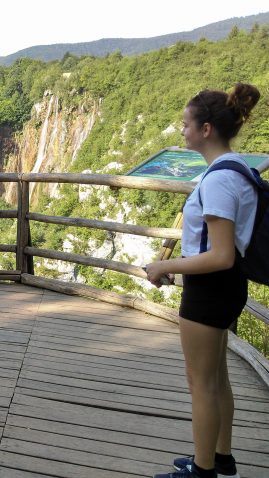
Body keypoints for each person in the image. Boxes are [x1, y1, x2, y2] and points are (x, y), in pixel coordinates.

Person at [146, 83, 261, 478]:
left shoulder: (218, 181)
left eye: (186, 124)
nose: (182, 131)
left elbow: (220, 254)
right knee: (217, 378)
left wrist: (165, 267)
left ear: (206, 129)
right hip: (226, 288)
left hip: (211, 289)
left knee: (201, 384)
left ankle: (203, 470)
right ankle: (221, 458)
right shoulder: (239, 167)